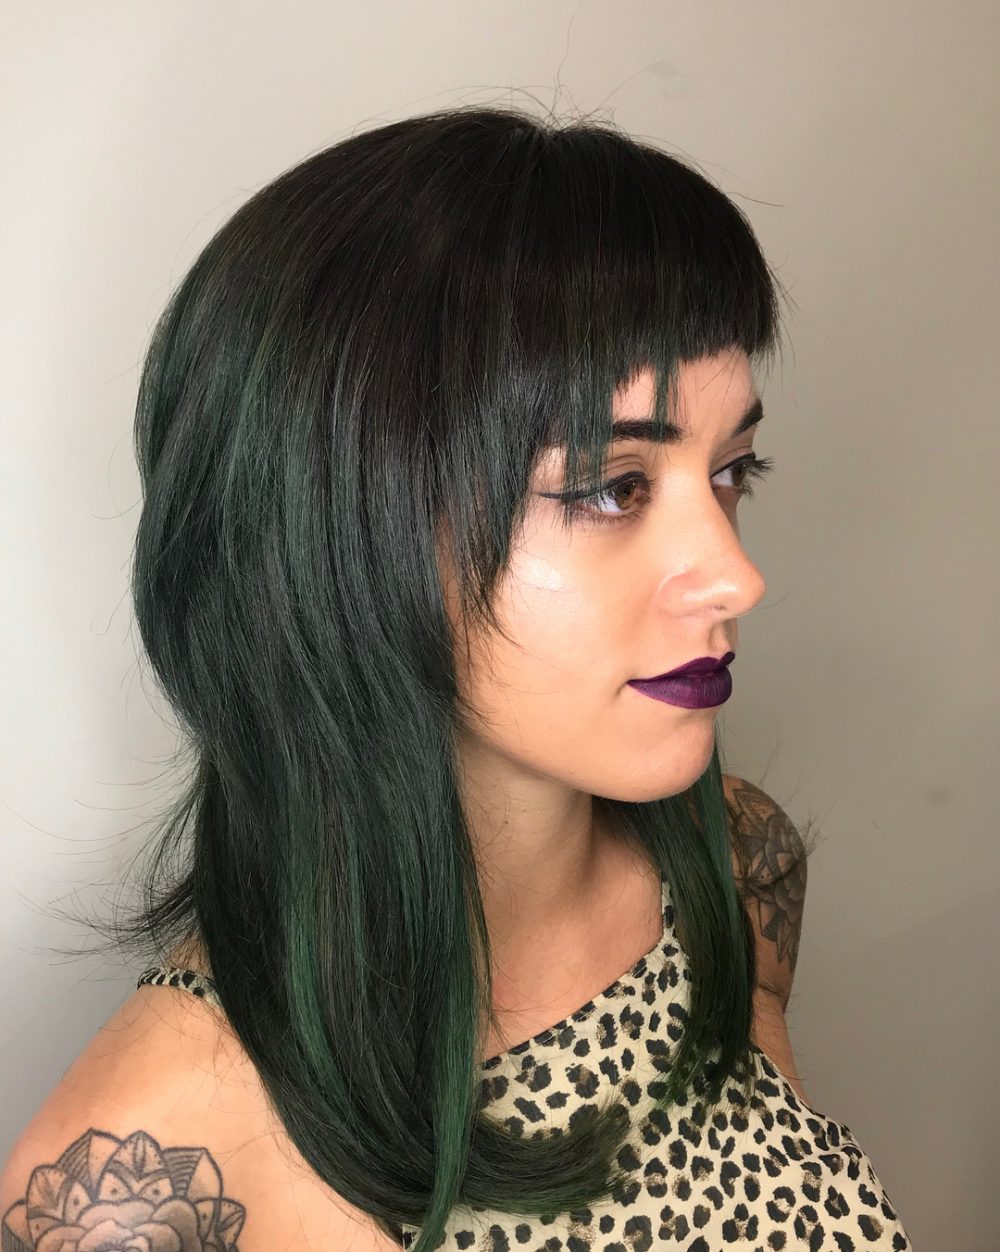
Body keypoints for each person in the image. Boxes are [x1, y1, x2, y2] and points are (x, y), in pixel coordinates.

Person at [1, 104, 911, 1250]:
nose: (735, 576)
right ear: (338, 536)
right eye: (612, 488)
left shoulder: (734, 866)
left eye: (732, 470)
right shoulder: (145, 1179)